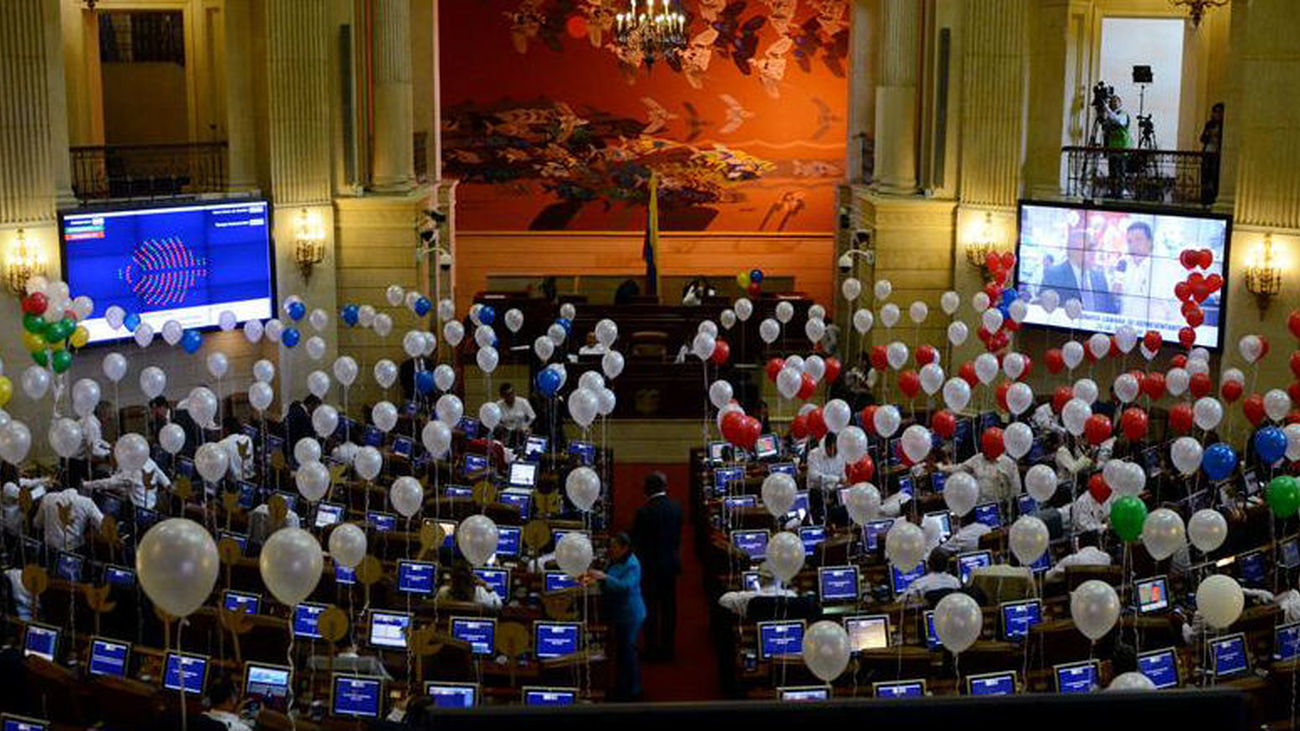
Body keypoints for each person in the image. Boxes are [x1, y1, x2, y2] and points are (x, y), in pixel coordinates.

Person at [584, 533, 645, 701]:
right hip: (619, 613)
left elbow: (626, 586)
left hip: (631, 614)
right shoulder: (616, 559)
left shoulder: (632, 564)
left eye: (614, 547)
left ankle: (633, 691)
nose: (611, 549)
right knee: (622, 652)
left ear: (624, 548)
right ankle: (622, 686)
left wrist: (605, 577)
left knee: (628, 653)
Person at [632, 472, 682, 662]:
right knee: (669, 608)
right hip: (670, 565)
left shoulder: (643, 512)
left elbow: (637, 542)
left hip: (650, 567)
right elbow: (676, 539)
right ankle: (669, 648)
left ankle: (651, 648)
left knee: (651, 608)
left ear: (647, 489)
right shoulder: (676, 508)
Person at [1039, 229, 1119, 314]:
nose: (1094, 252)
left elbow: (1110, 312)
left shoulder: (1100, 278)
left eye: (1094, 248)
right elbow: (1045, 311)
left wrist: (1115, 297)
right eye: (1089, 248)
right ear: (1073, 250)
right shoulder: (1053, 275)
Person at [33, 486, 104, 551]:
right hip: (75, 550)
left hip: (49, 550)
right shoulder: (87, 503)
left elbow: (37, 523)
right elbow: (103, 527)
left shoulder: (47, 498)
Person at [1113, 221, 1155, 319]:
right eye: (1129, 241)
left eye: (1138, 239)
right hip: (1124, 323)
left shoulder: (1158, 268)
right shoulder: (1123, 264)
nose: (1133, 244)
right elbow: (1116, 297)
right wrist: (1115, 293)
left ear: (1149, 242)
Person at [1045, 530, 1111, 582]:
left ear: (1078, 544)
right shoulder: (1106, 558)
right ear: (1097, 543)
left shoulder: (1071, 560)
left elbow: (1048, 577)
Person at [435, 559, 502, 610]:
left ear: (452, 578)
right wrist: (486, 586)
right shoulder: (480, 593)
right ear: (472, 578)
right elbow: (498, 604)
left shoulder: (443, 593)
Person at [1200, 102, 1224, 204]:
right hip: (1208, 152)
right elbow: (1202, 139)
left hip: (1218, 154)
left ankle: (1214, 197)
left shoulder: (1224, 126)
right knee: (1206, 176)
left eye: (1219, 112)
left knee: (1215, 177)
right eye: (1215, 112)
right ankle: (1205, 199)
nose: (1217, 114)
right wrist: (1208, 134)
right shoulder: (1209, 124)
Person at [284, 395, 319, 465]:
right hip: (296, 450)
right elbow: (305, 434)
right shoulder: (302, 416)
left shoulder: (294, 410)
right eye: (316, 408)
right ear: (310, 405)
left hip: (288, 448)